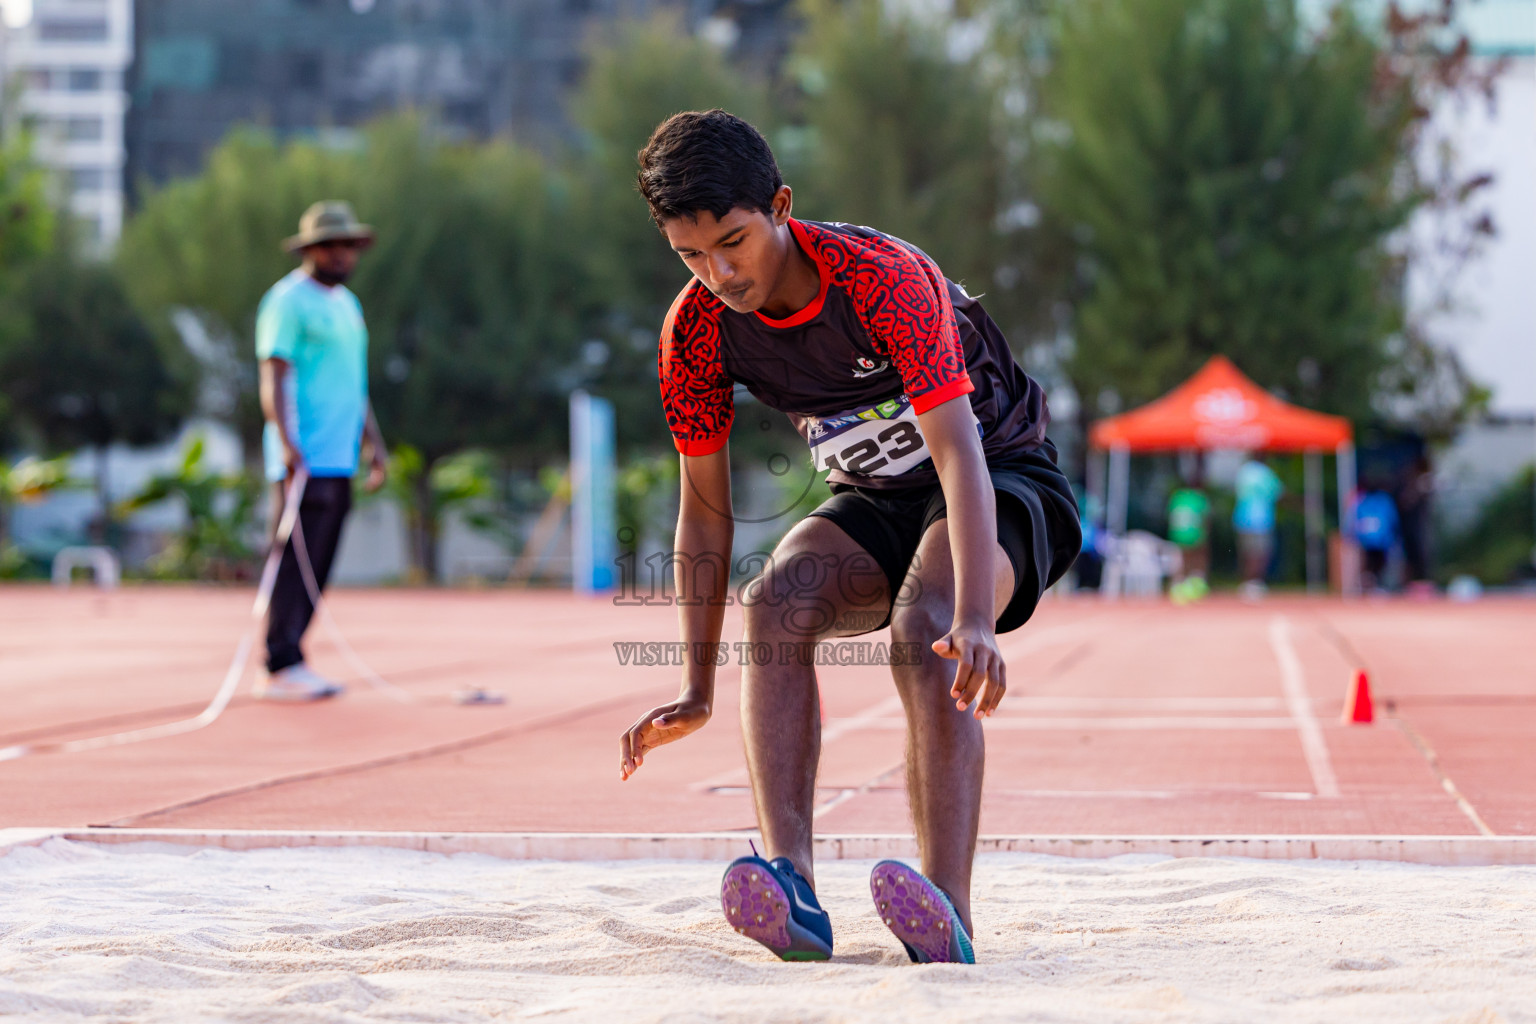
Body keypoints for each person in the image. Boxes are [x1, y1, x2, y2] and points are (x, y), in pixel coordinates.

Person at [616, 110, 1080, 964]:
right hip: (873, 497)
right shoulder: (694, 331)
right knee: (776, 603)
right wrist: (695, 685)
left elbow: (959, 455)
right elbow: (704, 510)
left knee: (924, 625)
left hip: (1000, 478)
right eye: (690, 255)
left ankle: (948, 907)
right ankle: (790, 884)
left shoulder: (882, 279)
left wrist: (975, 617)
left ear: (782, 206)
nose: (719, 273)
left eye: (733, 242)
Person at [254, 201, 388, 702]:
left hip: (339, 456)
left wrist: (374, 444)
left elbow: (355, 386)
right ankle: (278, 662)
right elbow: (275, 374)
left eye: (349, 246)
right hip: (302, 457)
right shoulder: (286, 301)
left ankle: (293, 654)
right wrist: (287, 445)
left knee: (322, 560)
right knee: (294, 559)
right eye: (331, 245)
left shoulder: (347, 306)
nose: (342, 255)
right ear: (309, 249)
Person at [1232, 457, 1282, 599]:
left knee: (1246, 553)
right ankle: (1255, 583)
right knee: (1261, 553)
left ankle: (1247, 583)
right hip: (1262, 520)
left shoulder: (1243, 471)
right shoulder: (1267, 473)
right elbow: (1277, 493)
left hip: (1242, 518)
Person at [1166, 472, 1210, 604]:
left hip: (1178, 534)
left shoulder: (1177, 497)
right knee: (1196, 559)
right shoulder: (1199, 498)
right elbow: (1204, 519)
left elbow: (1171, 516)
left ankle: (1178, 586)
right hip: (1194, 533)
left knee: (1181, 560)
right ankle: (1195, 585)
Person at [1355, 487, 1400, 593]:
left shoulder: (1363, 501)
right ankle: (1372, 586)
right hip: (1379, 541)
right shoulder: (1385, 501)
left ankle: (1370, 586)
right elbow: (1393, 520)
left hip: (1370, 541)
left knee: (1371, 564)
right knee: (1376, 564)